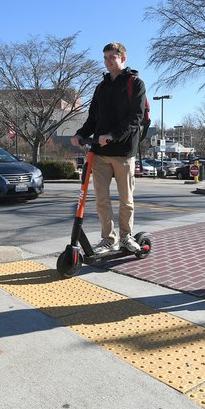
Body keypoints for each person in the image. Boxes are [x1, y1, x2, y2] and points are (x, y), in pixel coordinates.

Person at [71, 42, 146, 254]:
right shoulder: (101, 87)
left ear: (123, 58)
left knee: (126, 200)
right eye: (105, 58)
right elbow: (93, 118)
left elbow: (135, 118)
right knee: (101, 199)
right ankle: (108, 239)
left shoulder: (135, 84)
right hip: (101, 153)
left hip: (123, 152)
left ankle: (126, 237)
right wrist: (81, 134)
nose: (108, 61)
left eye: (112, 57)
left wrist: (112, 136)